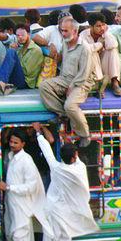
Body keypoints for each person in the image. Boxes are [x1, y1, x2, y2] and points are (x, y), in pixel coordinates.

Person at [33, 125, 99, 241]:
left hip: (52, 211)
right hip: (66, 214)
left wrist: (38, 133)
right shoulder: (80, 169)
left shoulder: (56, 168)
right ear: (74, 157)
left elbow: (47, 151)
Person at [0, 128, 53, 241]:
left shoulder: (26, 160)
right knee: (10, 235)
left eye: (16, 142)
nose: (12, 144)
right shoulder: (9, 156)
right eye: (11, 141)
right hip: (11, 203)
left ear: (23, 144)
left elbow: (31, 187)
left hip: (22, 205)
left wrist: (9, 187)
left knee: (21, 237)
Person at [39, 18, 95, 148]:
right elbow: (60, 60)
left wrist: (72, 86)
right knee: (43, 86)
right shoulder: (65, 43)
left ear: (74, 31)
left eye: (65, 31)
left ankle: (85, 134)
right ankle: (64, 115)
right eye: (61, 31)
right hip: (64, 79)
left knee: (70, 105)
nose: (63, 34)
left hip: (81, 82)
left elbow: (84, 74)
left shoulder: (84, 48)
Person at [0, 24, 43, 95]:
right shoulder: (20, 48)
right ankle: (1, 84)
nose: (20, 37)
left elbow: (27, 72)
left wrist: (12, 58)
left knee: (11, 52)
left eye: (22, 35)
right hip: (13, 77)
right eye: (18, 35)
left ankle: (0, 82)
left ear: (28, 34)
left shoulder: (36, 50)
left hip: (24, 82)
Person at [79, 12, 121, 96]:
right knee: (92, 53)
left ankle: (115, 82)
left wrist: (105, 33)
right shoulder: (83, 36)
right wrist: (99, 45)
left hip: (104, 68)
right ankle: (97, 86)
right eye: (98, 26)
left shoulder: (105, 33)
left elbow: (113, 45)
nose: (102, 28)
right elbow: (86, 50)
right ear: (91, 27)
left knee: (112, 50)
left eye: (103, 25)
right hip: (90, 71)